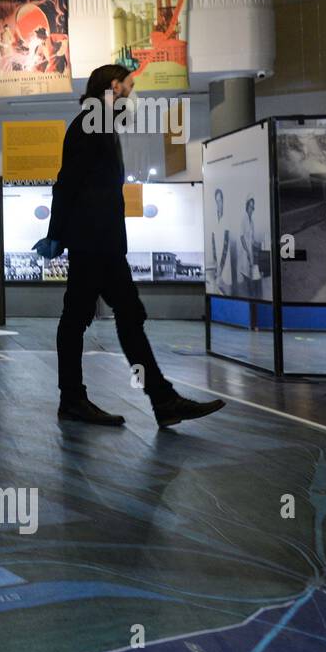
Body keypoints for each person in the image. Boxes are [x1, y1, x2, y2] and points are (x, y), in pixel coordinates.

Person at [36, 63, 224, 428]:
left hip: (102, 243)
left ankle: (150, 398)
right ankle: (93, 399)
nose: (133, 94)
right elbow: (66, 184)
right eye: (130, 86)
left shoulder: (100, 126)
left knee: (116, 317)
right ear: (114, 87)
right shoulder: (89, 127)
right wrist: (56, 234)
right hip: (94, 244)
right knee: (90, 319)